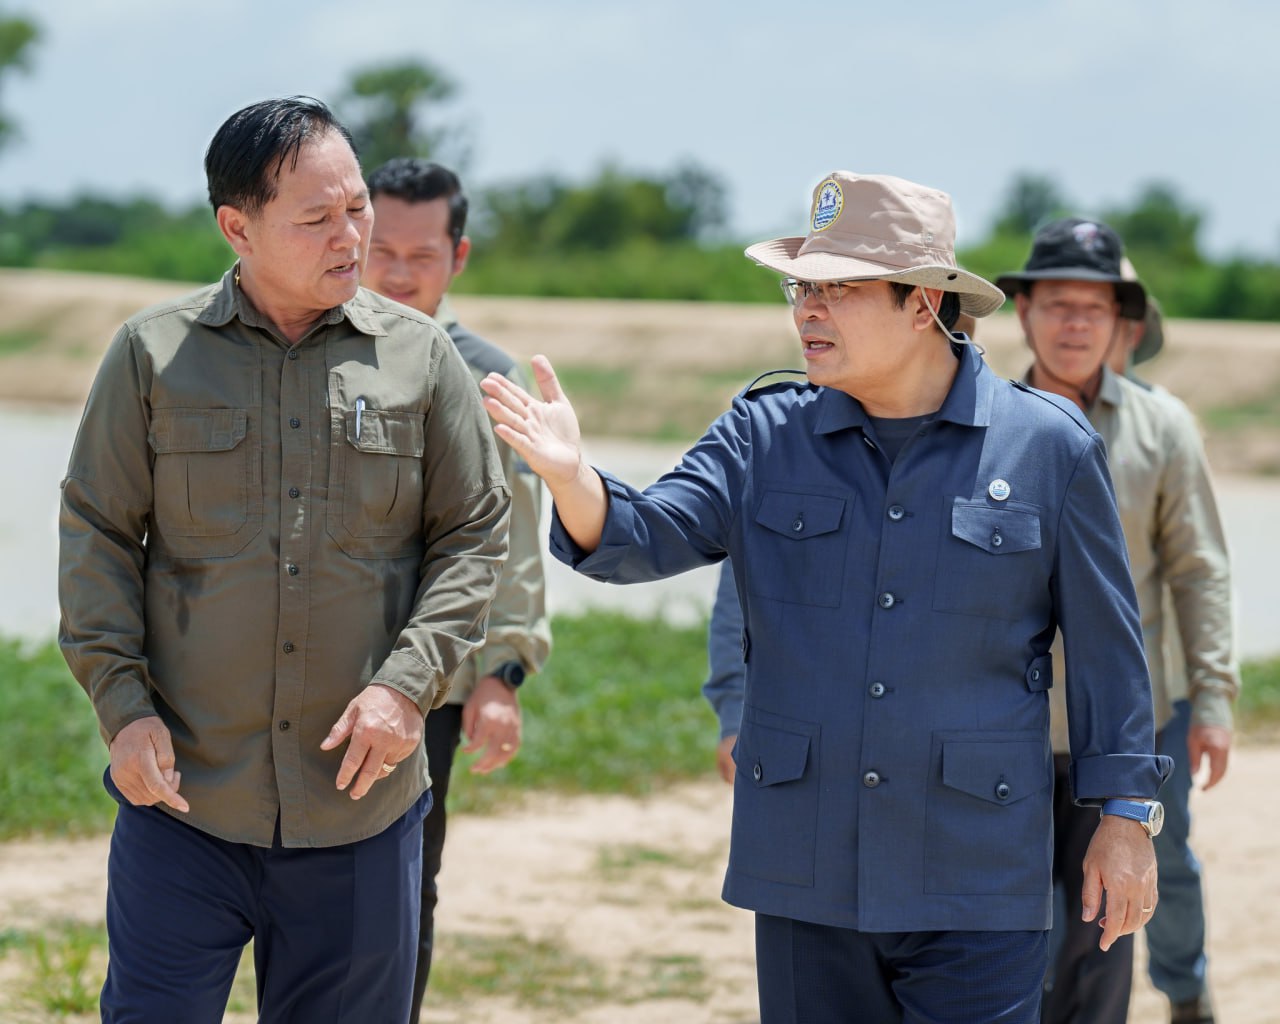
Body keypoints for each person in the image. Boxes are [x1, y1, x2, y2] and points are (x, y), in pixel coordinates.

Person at [480, 171, 1172, 1023]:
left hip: (978, 871)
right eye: (800, 289)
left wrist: (1125, 817)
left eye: (838, 290)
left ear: (923, 303)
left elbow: (1109, 652)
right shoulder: (764, 434)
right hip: (807, 865)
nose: (808, 310)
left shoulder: (1047, 447)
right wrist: (571, 478)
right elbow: (643, 534)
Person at [57, 97, 510, 1023]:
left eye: (357, 208)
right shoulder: (152, 355)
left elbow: (474, 533)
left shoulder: (423, 360)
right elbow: (97, 532)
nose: (351, 237)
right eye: (316, 218)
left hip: (361, 808)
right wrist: (122, 707)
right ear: (238, 227)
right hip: (182, 802)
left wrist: (407, 688)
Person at [996, 222, 1238, 1024]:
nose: (1075, 324)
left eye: (1094, 309)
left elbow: (1199, 570)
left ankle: (1187, 992)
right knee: (1025, 901)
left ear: (1120, 323)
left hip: (1140, 717)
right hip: (1013, 718)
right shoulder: (988, 424)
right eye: (1057, 304)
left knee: (1158, 868)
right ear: (1024, 311)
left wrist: (1213, 699)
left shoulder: (1162, 427)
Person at [363, 157, 552, 1019]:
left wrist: (501, 674)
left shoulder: (489, 380)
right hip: (300, 666)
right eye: (382, 250)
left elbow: (513, 542)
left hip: (426, 682)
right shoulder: (307, 349)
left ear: (458, 256)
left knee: (406, 882)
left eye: (421, 255)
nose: (398, 273)